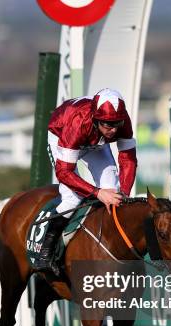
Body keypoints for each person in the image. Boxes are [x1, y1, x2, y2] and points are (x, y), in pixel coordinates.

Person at [39, 88, 138, 274]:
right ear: (96, 119)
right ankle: (47, 250)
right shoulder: (79, 123)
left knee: (114, 191)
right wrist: (97, 193)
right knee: (72, 199)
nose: (114, 130)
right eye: (108, 124)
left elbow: (128, 160)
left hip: (94, 142)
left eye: (117, 123)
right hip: (63, 136)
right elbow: (64, 173)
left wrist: (123, 193)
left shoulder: (122, 123)